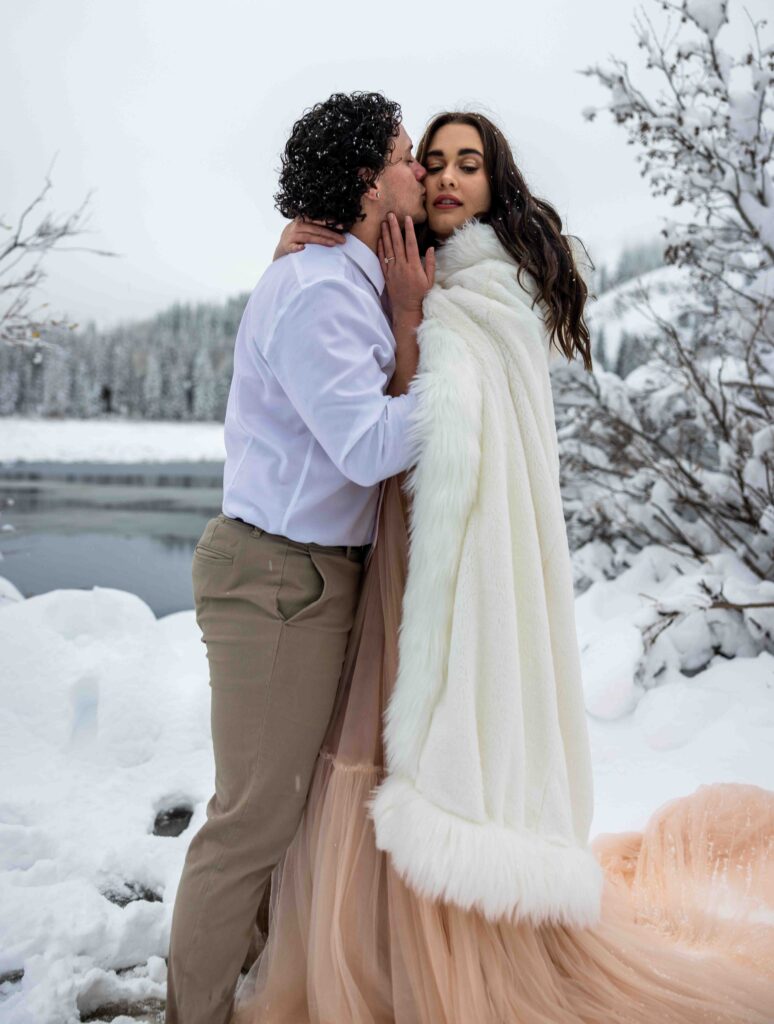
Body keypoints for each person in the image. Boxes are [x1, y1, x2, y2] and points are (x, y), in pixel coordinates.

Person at [229, 112, 774, 1023]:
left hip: (450, 560)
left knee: (404, 742)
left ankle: (428, 959)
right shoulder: (412, 268)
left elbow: (444, 415)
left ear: (496, 182)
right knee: (367, 744)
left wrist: (409, 312)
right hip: (397, 545)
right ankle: (365, 942)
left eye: (465, 164)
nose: (442, 177)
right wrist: (310, 251)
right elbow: (338, 337)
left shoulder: (484, 288)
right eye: (427, 161)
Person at [164, 91, 435, 1024]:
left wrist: (410, 316)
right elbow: (365, 447)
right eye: (405, 153)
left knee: (283, 811)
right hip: (277, 580)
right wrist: (467, 387)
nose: (422, 166)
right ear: (367, 181)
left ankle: (251, 982)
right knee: (251, 821)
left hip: (311, 577)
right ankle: (192, 1012)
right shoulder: (320, 290)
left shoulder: (342, 275)